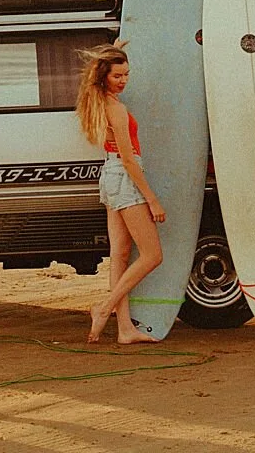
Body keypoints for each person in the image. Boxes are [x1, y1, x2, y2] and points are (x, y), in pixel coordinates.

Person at [76, 43, 165, 343]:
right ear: (104, 76)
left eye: (126, 74)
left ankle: (125, 329)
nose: (123, 80)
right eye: (117, 76)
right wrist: (152, 200)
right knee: (152, 255)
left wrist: (112, 51)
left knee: (120, 255)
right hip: (125, 176)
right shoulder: (115, 108)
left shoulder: (99, 99)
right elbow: (129, 160)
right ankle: (105, 308)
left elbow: (93, 79)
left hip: (111, 176)